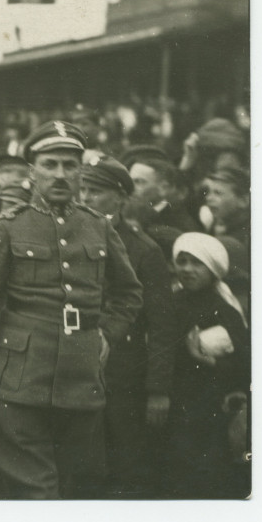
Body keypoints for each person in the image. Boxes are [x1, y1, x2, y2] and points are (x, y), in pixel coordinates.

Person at [0, 120, 143, 499]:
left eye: (70, 165)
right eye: (50, 165)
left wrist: (107, 333)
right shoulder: (7, 227)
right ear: (32, 172)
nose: (60, 174)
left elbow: (129, 292)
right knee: (36, 490)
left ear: (80, 170)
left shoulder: (97, 227)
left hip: (81, 380)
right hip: (17, 382)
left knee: (71, 488)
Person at [80, 155, 177, 497]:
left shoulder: (143, 250)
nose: (85, 198)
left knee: (125, 473)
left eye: (95, 191)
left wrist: (158, 390)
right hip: (73, 374)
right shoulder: (67, 240)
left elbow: (163, 327)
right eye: (82, 189)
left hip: (125, 379)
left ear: (120, 198)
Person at [165, 233, 250, 498]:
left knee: (204, 475)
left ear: (213, 269)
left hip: (208, 407)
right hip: (172, 403)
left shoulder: (225, 310)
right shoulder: (169, 303)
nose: (187, 269)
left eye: (197, 263)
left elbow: (244, 364)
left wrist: (208, 360)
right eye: (182, 261)